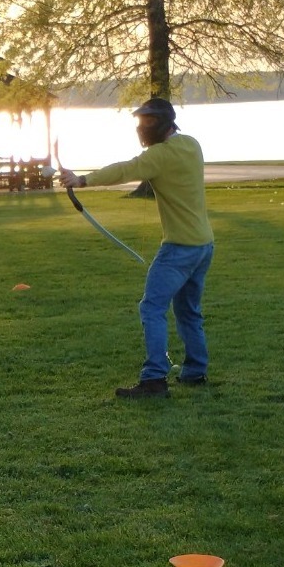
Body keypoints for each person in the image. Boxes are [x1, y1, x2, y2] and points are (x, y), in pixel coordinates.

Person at [60, 97, 214, 398]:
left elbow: (125, 169)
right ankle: (195, 372)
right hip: (204, 245)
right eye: (140, 123)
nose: (142, 129)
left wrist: (81, 180)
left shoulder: (161, 155)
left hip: (180, 248)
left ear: (166, 123)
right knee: (188, 311)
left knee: (152, 307)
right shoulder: (191, 144)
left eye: (149, 123)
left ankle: (155, 379)